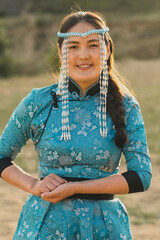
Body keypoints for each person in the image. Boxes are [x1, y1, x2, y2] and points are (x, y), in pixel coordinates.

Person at [0, 11, 152, 240]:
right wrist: (33, 184)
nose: (83, 55)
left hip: (105, 228)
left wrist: (75, 187)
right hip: (44, 228)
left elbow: (141, 177)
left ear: (107, 50)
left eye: (93, 45)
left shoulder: (127, 106)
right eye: (73, 47)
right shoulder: (38, 101)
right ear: (61, 53)